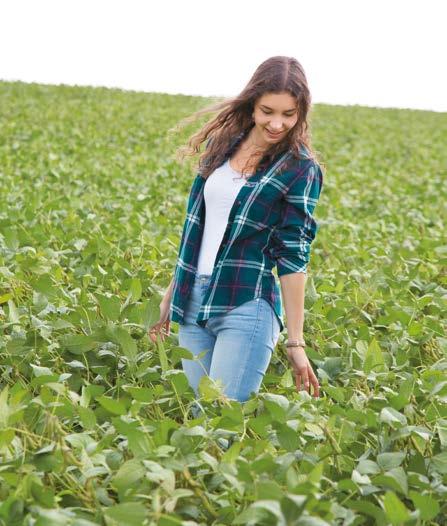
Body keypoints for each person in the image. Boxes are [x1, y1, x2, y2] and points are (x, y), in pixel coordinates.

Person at [149, 56, 324, 412]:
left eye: (289, 114)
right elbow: (196, 232)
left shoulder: (300, 168)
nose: (277, 123)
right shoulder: (224, 145)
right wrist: (171, 296)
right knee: (199, 418)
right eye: (267, 111)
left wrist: (296, 342)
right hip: (193, 298)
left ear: (301, 112)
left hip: (245, 303)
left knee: (222, 421)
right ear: (252, 103)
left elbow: (293, 256)